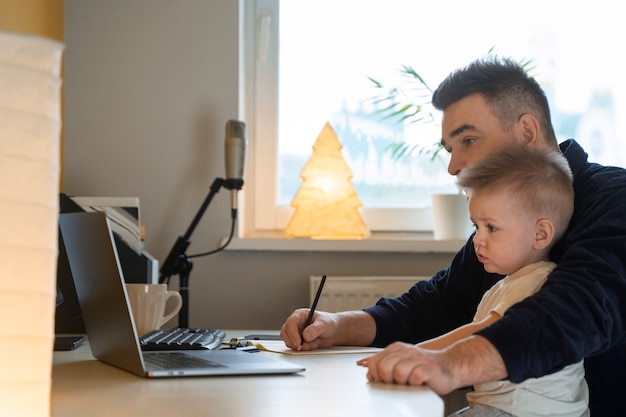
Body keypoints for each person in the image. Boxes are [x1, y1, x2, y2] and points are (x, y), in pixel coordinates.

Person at [280, 57, 626, 416]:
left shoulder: (614, 199)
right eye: (450, 149)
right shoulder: (503, 225)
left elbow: (580, 309)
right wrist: (337, 325)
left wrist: (451, 362)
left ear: (526, 132)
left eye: (469, 140)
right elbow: (439, 304)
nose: (453, 165)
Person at [359, 145, 588, 416]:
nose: (478, 240)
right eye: (476, 227)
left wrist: (414, 354)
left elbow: (486, 331)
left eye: (491, 227)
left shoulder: (537, 281)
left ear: (540, 234)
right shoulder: (506, 284)